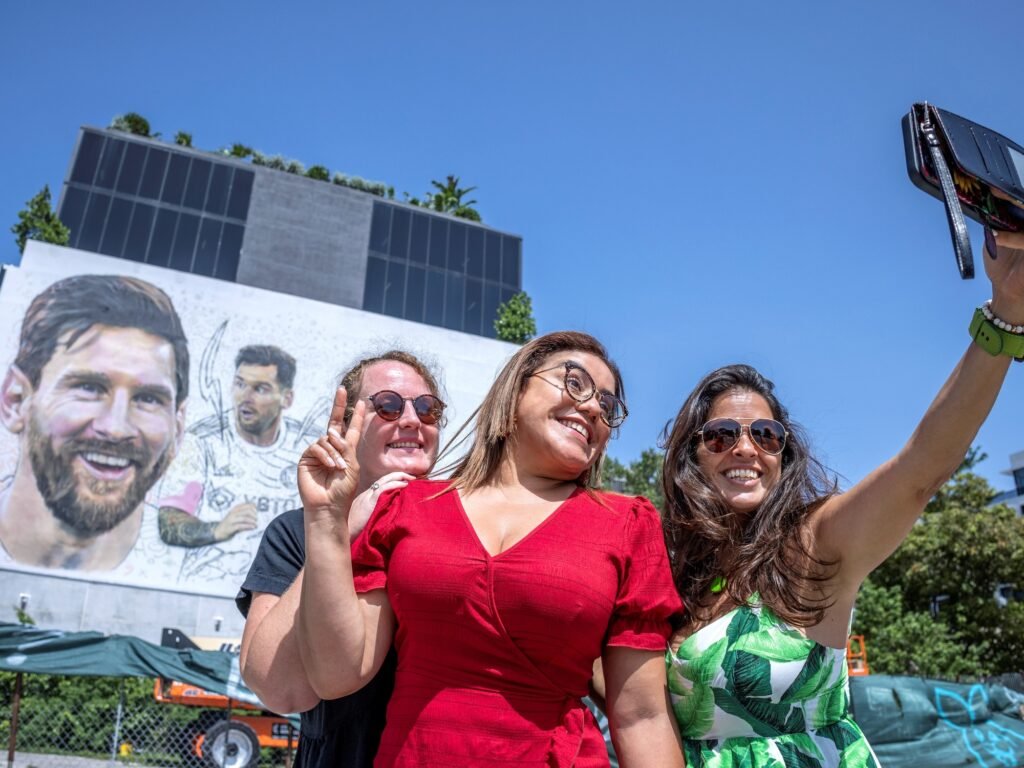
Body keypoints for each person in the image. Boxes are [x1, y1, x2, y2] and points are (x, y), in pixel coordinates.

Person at [660, 229, 1024, 768]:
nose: (746, 448)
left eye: (766, 435)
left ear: (783, 454)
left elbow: (921, 469)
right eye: (721, 435)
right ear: (692, 454)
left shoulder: (814, 543)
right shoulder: (674, 572)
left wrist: (1006, 312)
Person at [297, 331, 684, 767]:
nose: (594, 407)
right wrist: (325, 520)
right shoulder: (405, 507)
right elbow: (336, 675)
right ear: (516, 390)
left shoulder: (628, 523)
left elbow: (642, 716)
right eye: (574, 383)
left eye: (609, 406)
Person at [238, 350, 446, 768]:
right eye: (388, 405)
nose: (411, 419)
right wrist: (333, 529)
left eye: (427, 408)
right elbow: (280, 690)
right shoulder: (295, 532)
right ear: (348, 423)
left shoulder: (461, 525)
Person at [0, 274, 188, 572]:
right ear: (15, 400)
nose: (116, 428)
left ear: (177, 429)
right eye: (89, 388)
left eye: (148, 399)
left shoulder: (202, 567)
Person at [157, 344, 321, 584]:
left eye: (260, 389)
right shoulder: (202, 441)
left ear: (287, 398)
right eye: (240, 384)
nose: (245, 396)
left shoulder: (310, 446)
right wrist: (218, 530)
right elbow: (168, 521)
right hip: (207, 584)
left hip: (282, 592)